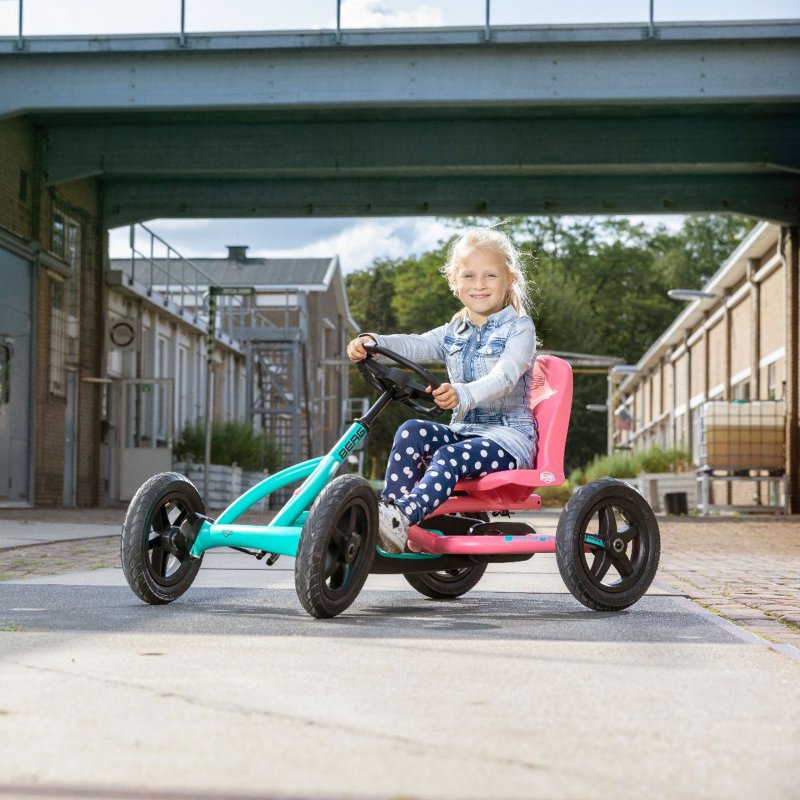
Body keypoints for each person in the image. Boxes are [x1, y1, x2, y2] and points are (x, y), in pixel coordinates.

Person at [346, 227, 537, 554]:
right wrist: (374, 342)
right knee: (411, 431)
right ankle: (390, 514)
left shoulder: (520, 328)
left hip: (506, 440)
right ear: (454, 281)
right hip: (464, 432)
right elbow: (415, 344)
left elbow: (504, 378)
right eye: (469, 275)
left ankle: (403, 517)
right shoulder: (454, 331)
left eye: (490, 275)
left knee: (449, 455)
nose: (479, 285)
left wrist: (462, 394)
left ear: (511, 279)